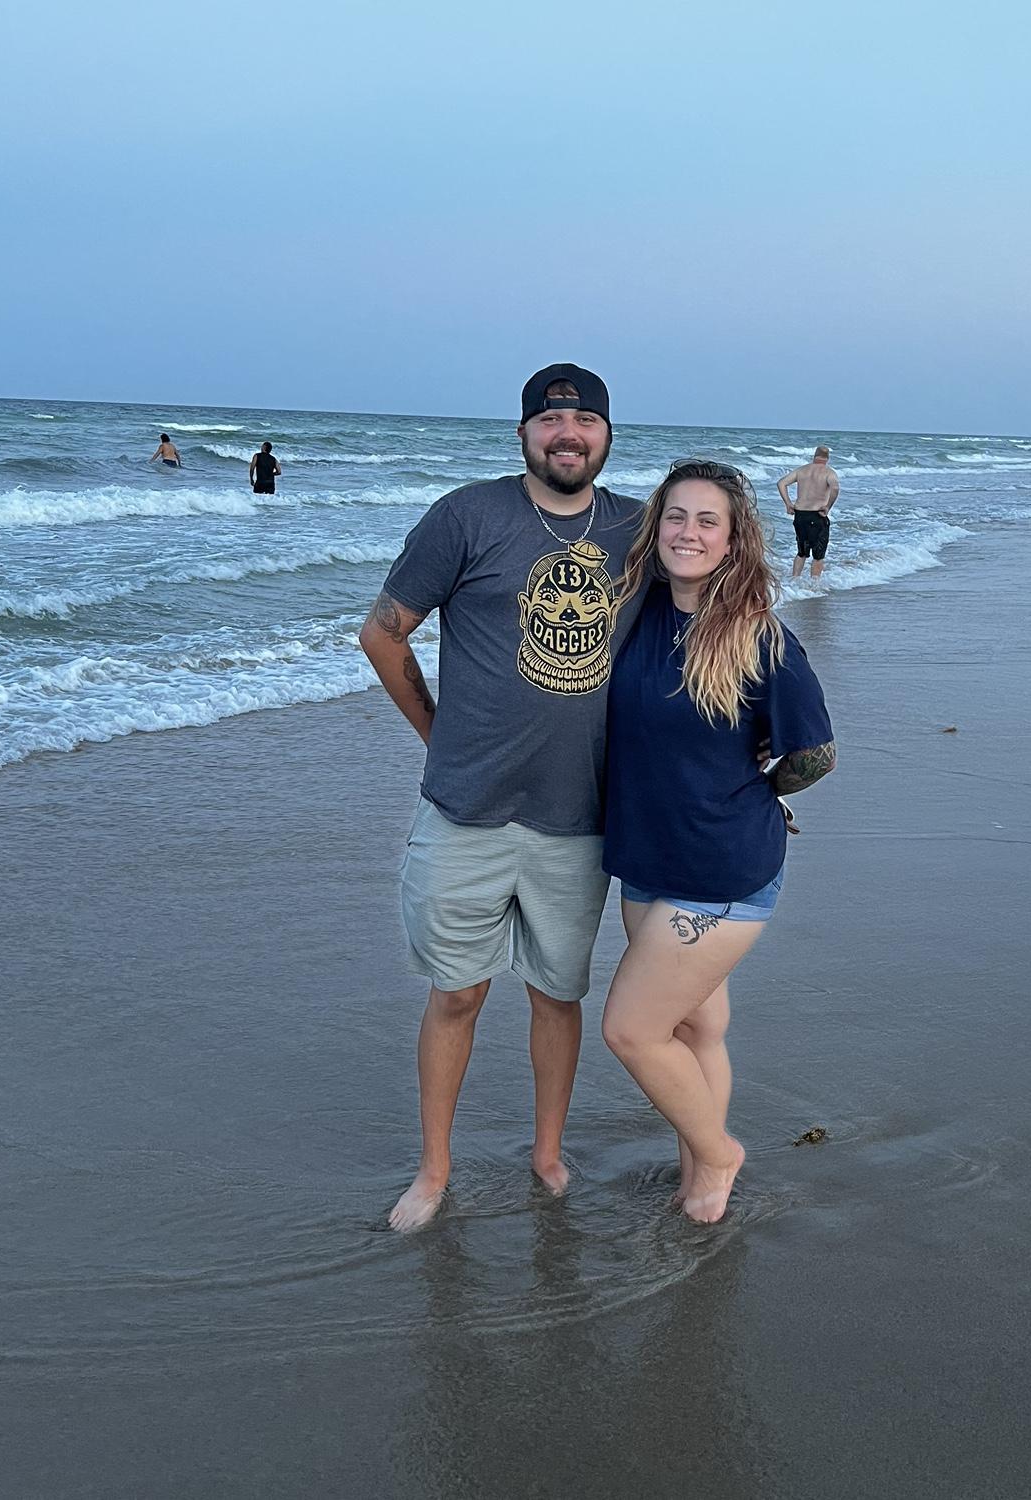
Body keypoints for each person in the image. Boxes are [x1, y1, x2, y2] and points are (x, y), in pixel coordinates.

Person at [358, 364, 642, 1232]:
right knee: (457, 994)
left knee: (558, 996)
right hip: (466, 812)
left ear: (606, 434)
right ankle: (433, 1171)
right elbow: (382, 632)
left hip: (579, 818)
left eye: (585, 419)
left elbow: (708, 612)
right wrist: (439, 736)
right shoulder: (466, 516)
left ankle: (547, 1153)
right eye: (552, 420)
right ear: (523, 433)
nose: (568, 433)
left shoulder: (636, 528)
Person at [600, 460, 835, 1223]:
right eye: (676, 516)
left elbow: (815, 752)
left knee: (632, 1030)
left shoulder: (757, 636)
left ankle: (718, 1151)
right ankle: (702, 1182)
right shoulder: (634, 614)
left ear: (734, 539)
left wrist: (754, 798)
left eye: (708, 521)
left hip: (723, 869)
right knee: (695, 1023)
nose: (688, 532)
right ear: (656, 527)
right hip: (645, 856)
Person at [775, 446, 839, 580]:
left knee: (801, 552)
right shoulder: (829, 472)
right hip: (817, 515)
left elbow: (781, 483)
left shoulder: (802, 470)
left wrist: (788, 504)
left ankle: (794, 581)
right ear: (827, 459)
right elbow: (835, 488)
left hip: (800, 516)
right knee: (818, 555)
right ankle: (814, 586)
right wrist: (827, 506)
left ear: (814, 456)